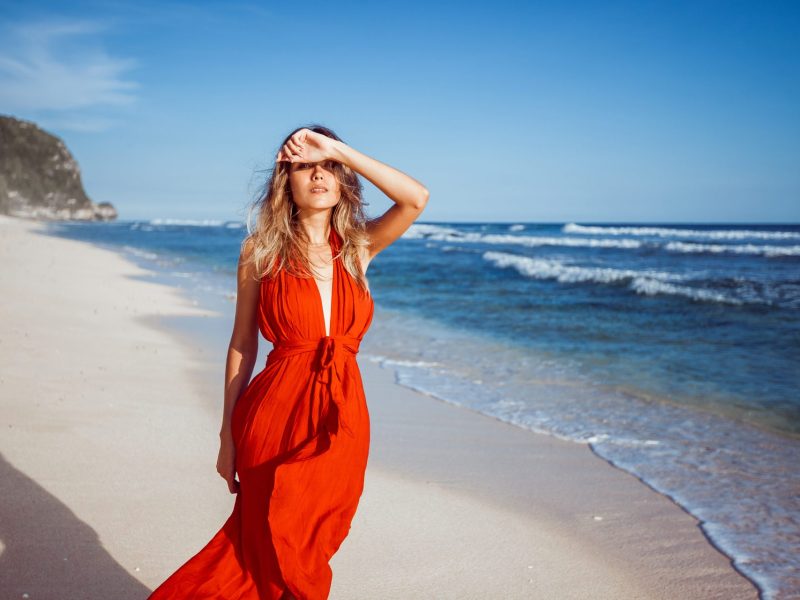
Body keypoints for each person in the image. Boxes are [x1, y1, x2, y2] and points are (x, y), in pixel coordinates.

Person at [148, 124, 429, 599]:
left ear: (343, 181)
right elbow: (242, 343)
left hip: (343, 413)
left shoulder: (358, 249)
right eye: (304, 166)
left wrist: (336, 148)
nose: (318, 176)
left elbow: (415, 198)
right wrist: (227, 435)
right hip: (272, 414)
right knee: (261, 546)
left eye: (328, 169)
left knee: (309, 543)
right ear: (287, 183)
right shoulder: (260, 251)